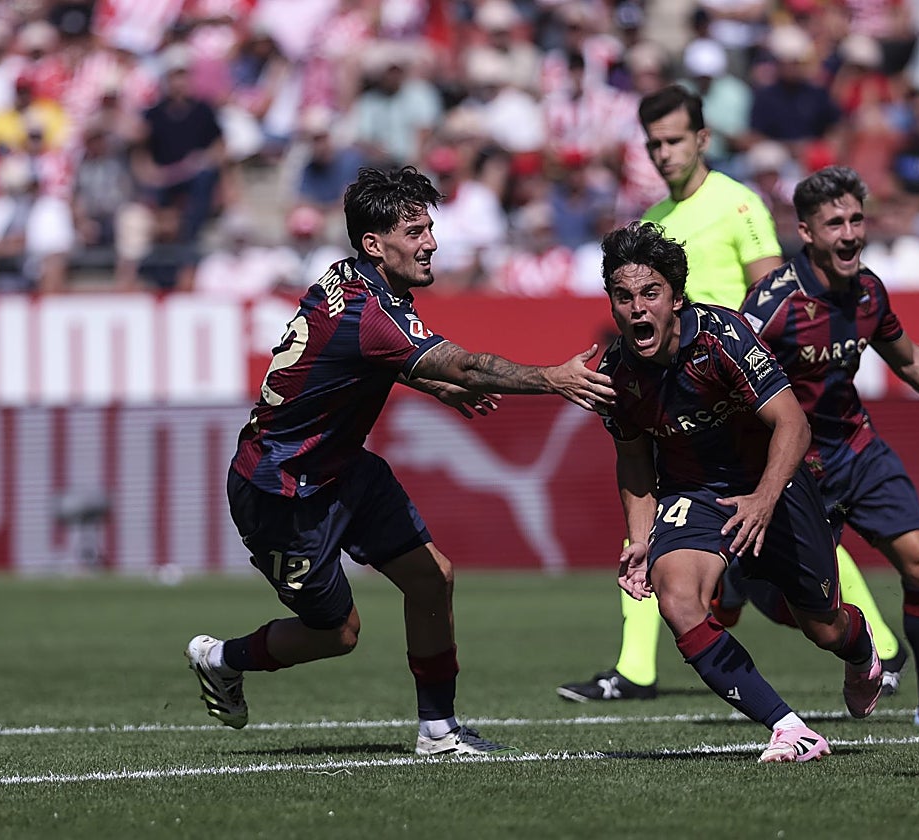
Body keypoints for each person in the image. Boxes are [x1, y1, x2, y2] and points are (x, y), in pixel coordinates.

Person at [186, 166, 615, 757]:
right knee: (337, 634)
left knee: (432, 576)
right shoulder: (374, 313)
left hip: (342, 469)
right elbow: (461, 363)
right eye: (415, 231)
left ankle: (438, 731)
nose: (431, 242)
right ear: (373, 243)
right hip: (281, 491)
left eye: (429, 227)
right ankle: (221, 658)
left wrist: (434, 387)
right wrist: (552, 377)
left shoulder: (351, 282)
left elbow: (361, 360)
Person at [558, 83, 907, 703]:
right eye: (653, 143)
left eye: (673, 140)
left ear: (702, 139)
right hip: (676, 394)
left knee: (801, 529)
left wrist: (730, 353)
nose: (663, 153)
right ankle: (636, 669)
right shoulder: (652, 224)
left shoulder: (738, 204)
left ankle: (875, 643)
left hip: (737, 384)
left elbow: (771, 293)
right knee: (654, 533)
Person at [595, 220, 884, 763]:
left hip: (774, 483)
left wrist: (763, 499)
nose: (637, 308)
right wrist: (638, 538)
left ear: (675, 298)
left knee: (822, 628)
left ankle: (859, 642)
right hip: (693, 493)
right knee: (678, 600)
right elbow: (633, 461)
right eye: (623, 296)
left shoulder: (722, 336)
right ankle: (790, 729)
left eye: (650, 293)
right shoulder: (617, 372)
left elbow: (793, 426)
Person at [740, 166, 919, 729]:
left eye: (856, 219)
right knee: (810, 614)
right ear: (806, 232)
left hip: (857, 449)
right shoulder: (772, 304)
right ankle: (746, 584)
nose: (850, 234)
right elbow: (735, 376)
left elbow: (910, 360)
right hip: (795, 467)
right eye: (835, 224)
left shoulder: (870, 290)